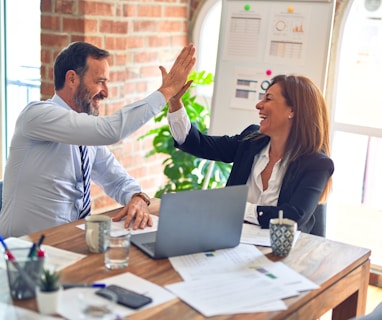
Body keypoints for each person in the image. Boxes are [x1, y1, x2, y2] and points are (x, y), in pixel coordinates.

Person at [0, 41, 195, 238]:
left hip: (67, 244)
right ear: (72, 79)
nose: (106, 93)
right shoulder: (37, 115)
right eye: (100, 81)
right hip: (23, 252)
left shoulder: (85, 136)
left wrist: (138, 197)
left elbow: (116, 179)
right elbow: (110, 131)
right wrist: (166, 91)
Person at [167, 74, 334, 234]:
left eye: (268, 98)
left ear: (293, 110)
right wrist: (175, 103)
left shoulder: (317, 164)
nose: (259, 105)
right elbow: (198, 144)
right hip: (230, 241)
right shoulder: (251, 140)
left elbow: (292, 217)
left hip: (282, 253)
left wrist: (236, 207)